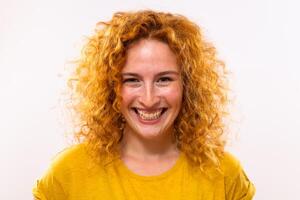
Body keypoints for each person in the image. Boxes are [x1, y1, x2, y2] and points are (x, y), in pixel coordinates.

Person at [33, 10, 255, 199]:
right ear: (111, 87)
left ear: (188, 84)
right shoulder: (68, 174)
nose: (148, 99)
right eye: (132, 80)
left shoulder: (224, 174)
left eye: (164, 79)